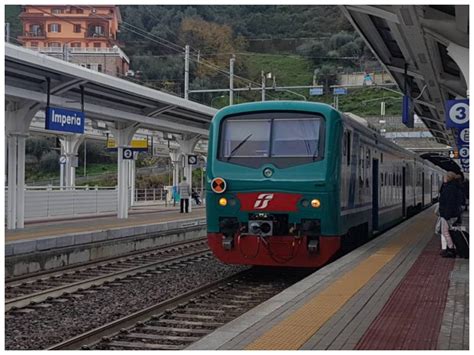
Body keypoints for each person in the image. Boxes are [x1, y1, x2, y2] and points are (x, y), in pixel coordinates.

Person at [438, 171, 463, 258]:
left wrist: (446, 215)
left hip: (448, 214)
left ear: (448, 178)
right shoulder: (454, 187)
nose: (444, 178)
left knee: (445, 232)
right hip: (453, 213)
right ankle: (450, 249)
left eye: (445, 177)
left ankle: (451, 250)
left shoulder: (450, 188)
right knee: (449, 232)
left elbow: (450, 203)